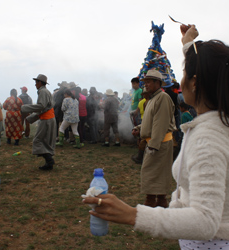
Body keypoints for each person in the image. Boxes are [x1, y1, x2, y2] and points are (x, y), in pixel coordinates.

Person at [83, 24, 229, 249]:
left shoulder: (206, 139)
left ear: (195, 82)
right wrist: (188, 44)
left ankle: (154, 203)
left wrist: (132, 215)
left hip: (210, 243)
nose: (179, 82)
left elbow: (205, 221)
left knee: (154, 179)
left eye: (183, 74)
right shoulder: (218, 120)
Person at [132, 69, 176, 208]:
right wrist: (139, 128)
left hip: (159, 143)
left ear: (158, 83)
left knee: (153, 171)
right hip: (155, 142)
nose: (146, 85)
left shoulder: (162, 97)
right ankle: (158, 201)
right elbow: (150, 120)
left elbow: (160, 124)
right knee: (155, 172)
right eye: (145, 82)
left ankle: (153, 201)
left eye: (149, 81)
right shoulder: (153, 98)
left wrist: (154, 145)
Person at [21, 74, 56, 171]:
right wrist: (31, 117)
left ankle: (49, 160)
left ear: (40, 82)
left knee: (38, 141)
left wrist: (24, 108)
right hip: (48, 118)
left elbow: (41, 106)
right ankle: (48, 163)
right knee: (45, 141)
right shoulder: (46, 91)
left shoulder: (43, 92)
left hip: (46, 120)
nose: (35, 84)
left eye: (36, 82)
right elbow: (45, 108)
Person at [131, 88, 151, 164]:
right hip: (145, 121)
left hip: (148, 122)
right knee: (143, 140)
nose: (144, 96)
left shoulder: (149, 102)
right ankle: (141, 157)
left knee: (144, 141)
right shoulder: (144, 102)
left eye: (145, 94)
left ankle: (140, 158)